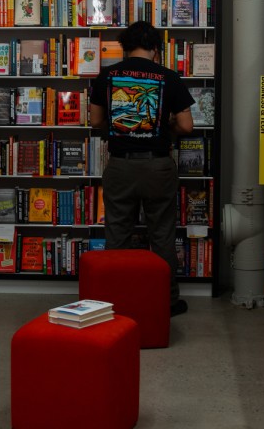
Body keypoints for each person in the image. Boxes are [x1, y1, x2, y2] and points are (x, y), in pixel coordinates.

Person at [89, 21, 195, 317]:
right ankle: (166, 301)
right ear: (156, 49)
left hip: (120, 166)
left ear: (125, 46)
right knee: (161, 234)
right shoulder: (168, 77)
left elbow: (96, 122)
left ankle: (115, 301)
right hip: (158, 165)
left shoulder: (107, 76)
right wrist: (168, 124)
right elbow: (186, 125)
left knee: (117, 235)